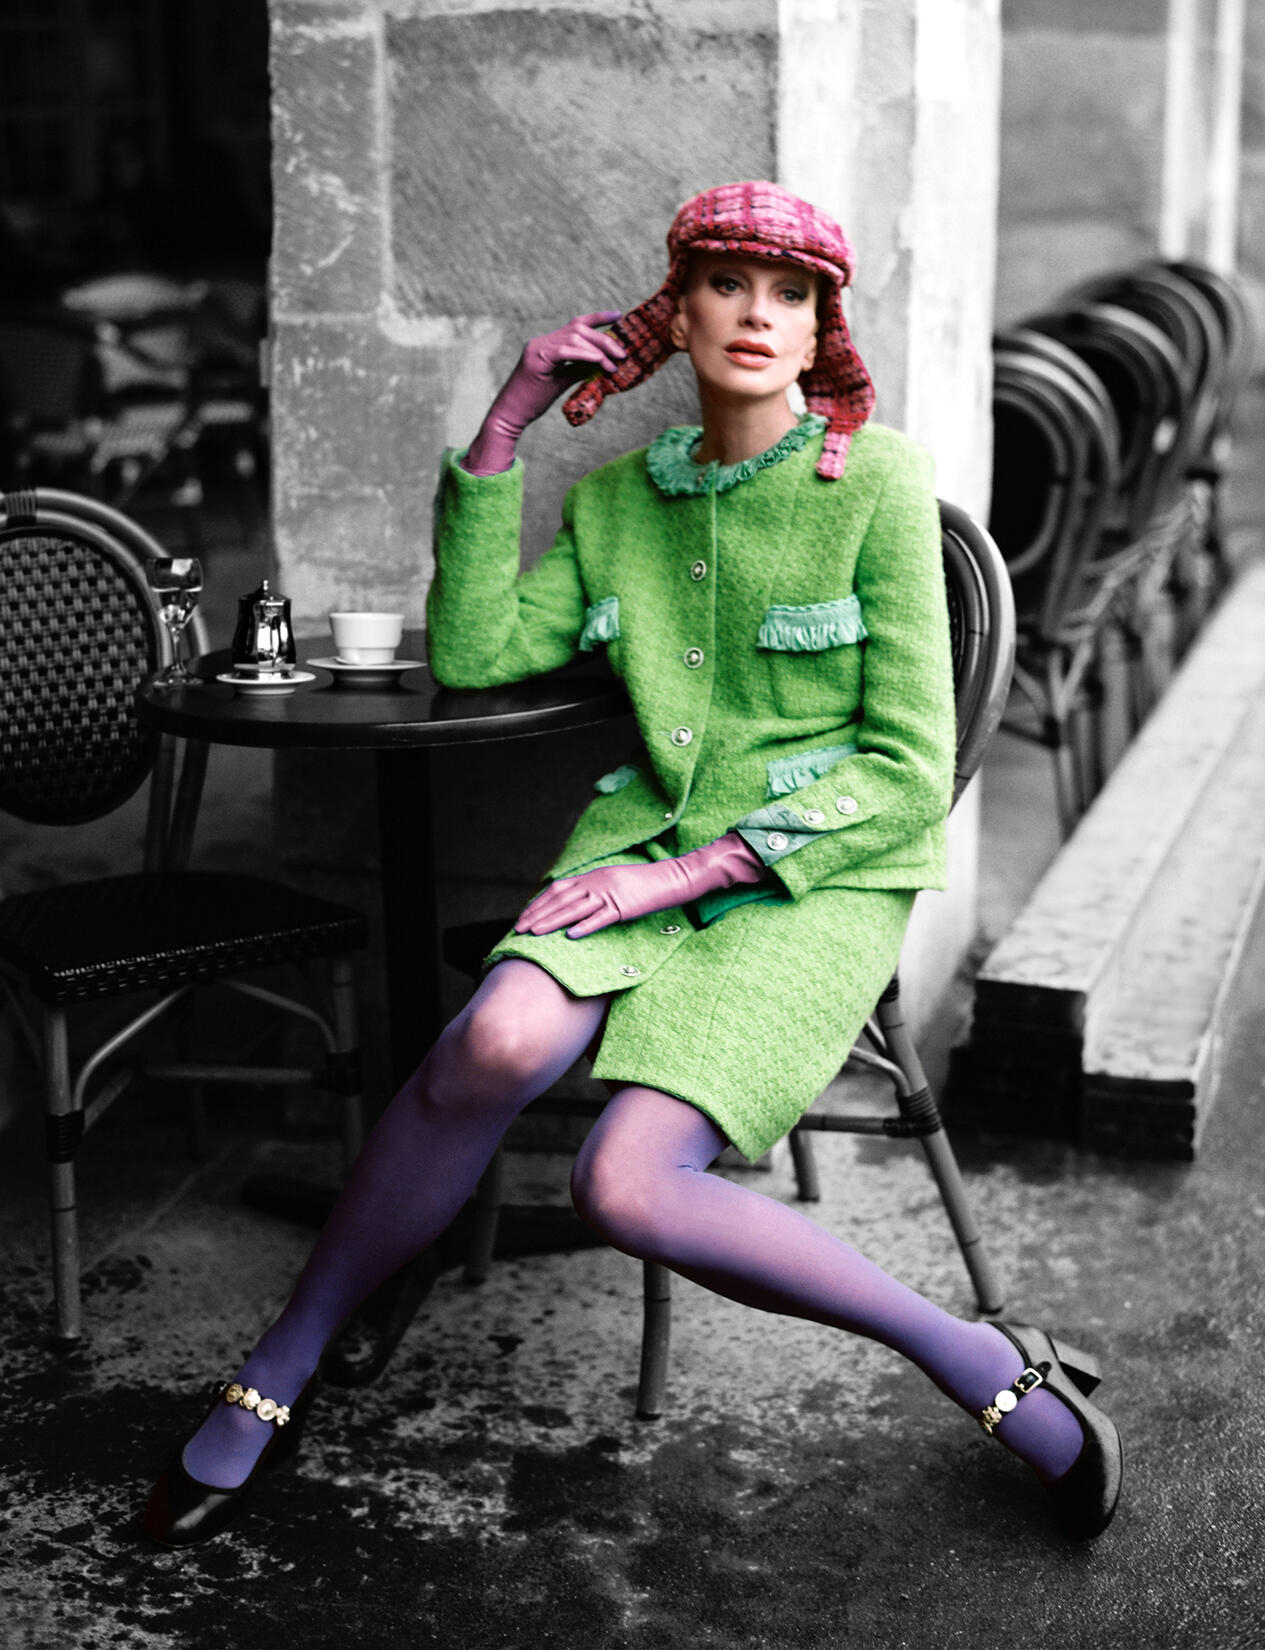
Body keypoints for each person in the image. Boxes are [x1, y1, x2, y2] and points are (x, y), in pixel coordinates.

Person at [143, 181, 1122, 1546]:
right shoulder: (618, 502)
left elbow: (907, 767)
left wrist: (685, 876)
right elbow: (476, 650)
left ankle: (975, 1358)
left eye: (790, 295)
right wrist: (503, 425)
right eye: (728, 285)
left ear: (820, 329)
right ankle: (285, 1359)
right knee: (491, 1042)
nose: (758, 315)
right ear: (680, 313)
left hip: (812, 879)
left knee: (620, 1185)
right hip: (641, 845)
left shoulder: (879, 481)